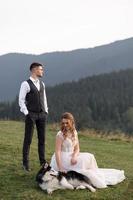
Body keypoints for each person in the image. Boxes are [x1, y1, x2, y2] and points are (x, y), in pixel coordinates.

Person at [50, 112, 125, 188]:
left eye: (67, 123)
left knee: (90, 156)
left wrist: (74, 156)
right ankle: (85, 178)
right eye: (63, 123)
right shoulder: (60, 135)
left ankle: (90, 177)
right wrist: (60, 167)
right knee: (83, 162)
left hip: (72, 155)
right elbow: (58, 151)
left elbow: (77, 148)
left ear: (72, 122)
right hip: (63, 158)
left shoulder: (74, 132)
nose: (65, 125)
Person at [19, 62, 48, 171]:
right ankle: (25, 163)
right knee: (28, 139)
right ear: (34, 70)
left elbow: (44, 99)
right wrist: (27, 113)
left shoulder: (42, 84)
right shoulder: (25, 84)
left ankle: (43, 162)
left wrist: (46, 111)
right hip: (31, 114)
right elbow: (21, 100)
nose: (42, 71)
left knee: (42, 139)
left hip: (42, 115)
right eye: (41, 69)